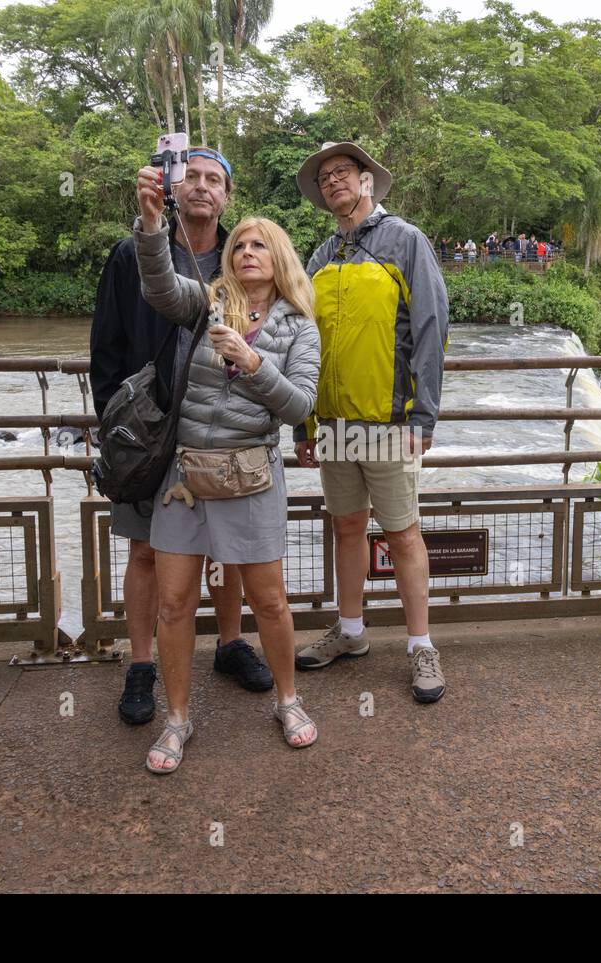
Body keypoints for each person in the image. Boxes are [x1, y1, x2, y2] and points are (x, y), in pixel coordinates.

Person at [132, 162, 322, 773]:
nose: (245, 251)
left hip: (252, 475)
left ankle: (289, 701)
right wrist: (152, 224)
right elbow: (160, 289)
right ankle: (178, 718)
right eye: (238, 243)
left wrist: (252, 362)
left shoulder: (300, 329)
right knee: (174, 604)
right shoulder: (209, 304)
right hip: (185, 476)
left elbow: (297, 407)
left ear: (281, 257)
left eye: (258, 244)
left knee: (269, 601)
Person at [89, 148, 273, 730]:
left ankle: (228, 643)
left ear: (227, 195)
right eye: (189, 176)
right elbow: (107, 344)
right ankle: (141, 663)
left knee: (229, 552)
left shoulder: (239, 259)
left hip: (216, 428)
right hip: (147, 426)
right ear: (170, 185)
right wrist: (116, 419)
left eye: (213, 180)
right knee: (145, 550)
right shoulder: (133, 254)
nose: (200, 187)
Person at [291, 141, 450, 704]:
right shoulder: (319, 255)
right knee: (347, 528)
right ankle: (352, 632)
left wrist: (424, 413)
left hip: (389, 420)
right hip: (333, 423)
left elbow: (431, 328)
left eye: (342, 173)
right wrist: (305, 425)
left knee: (404, 533)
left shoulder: (405, 242)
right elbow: (303, 343)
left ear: (366, 182)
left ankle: (420, 645)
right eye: (324, 177)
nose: (333, 181)